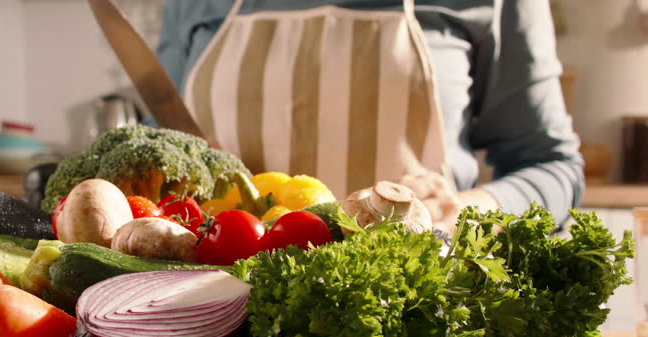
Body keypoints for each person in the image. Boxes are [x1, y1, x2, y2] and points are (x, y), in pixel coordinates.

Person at [154, 0, 584, 231]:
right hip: (223, 319)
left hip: (412, 320)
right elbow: (161, 164)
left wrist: (466, 209)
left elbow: (551, 166)